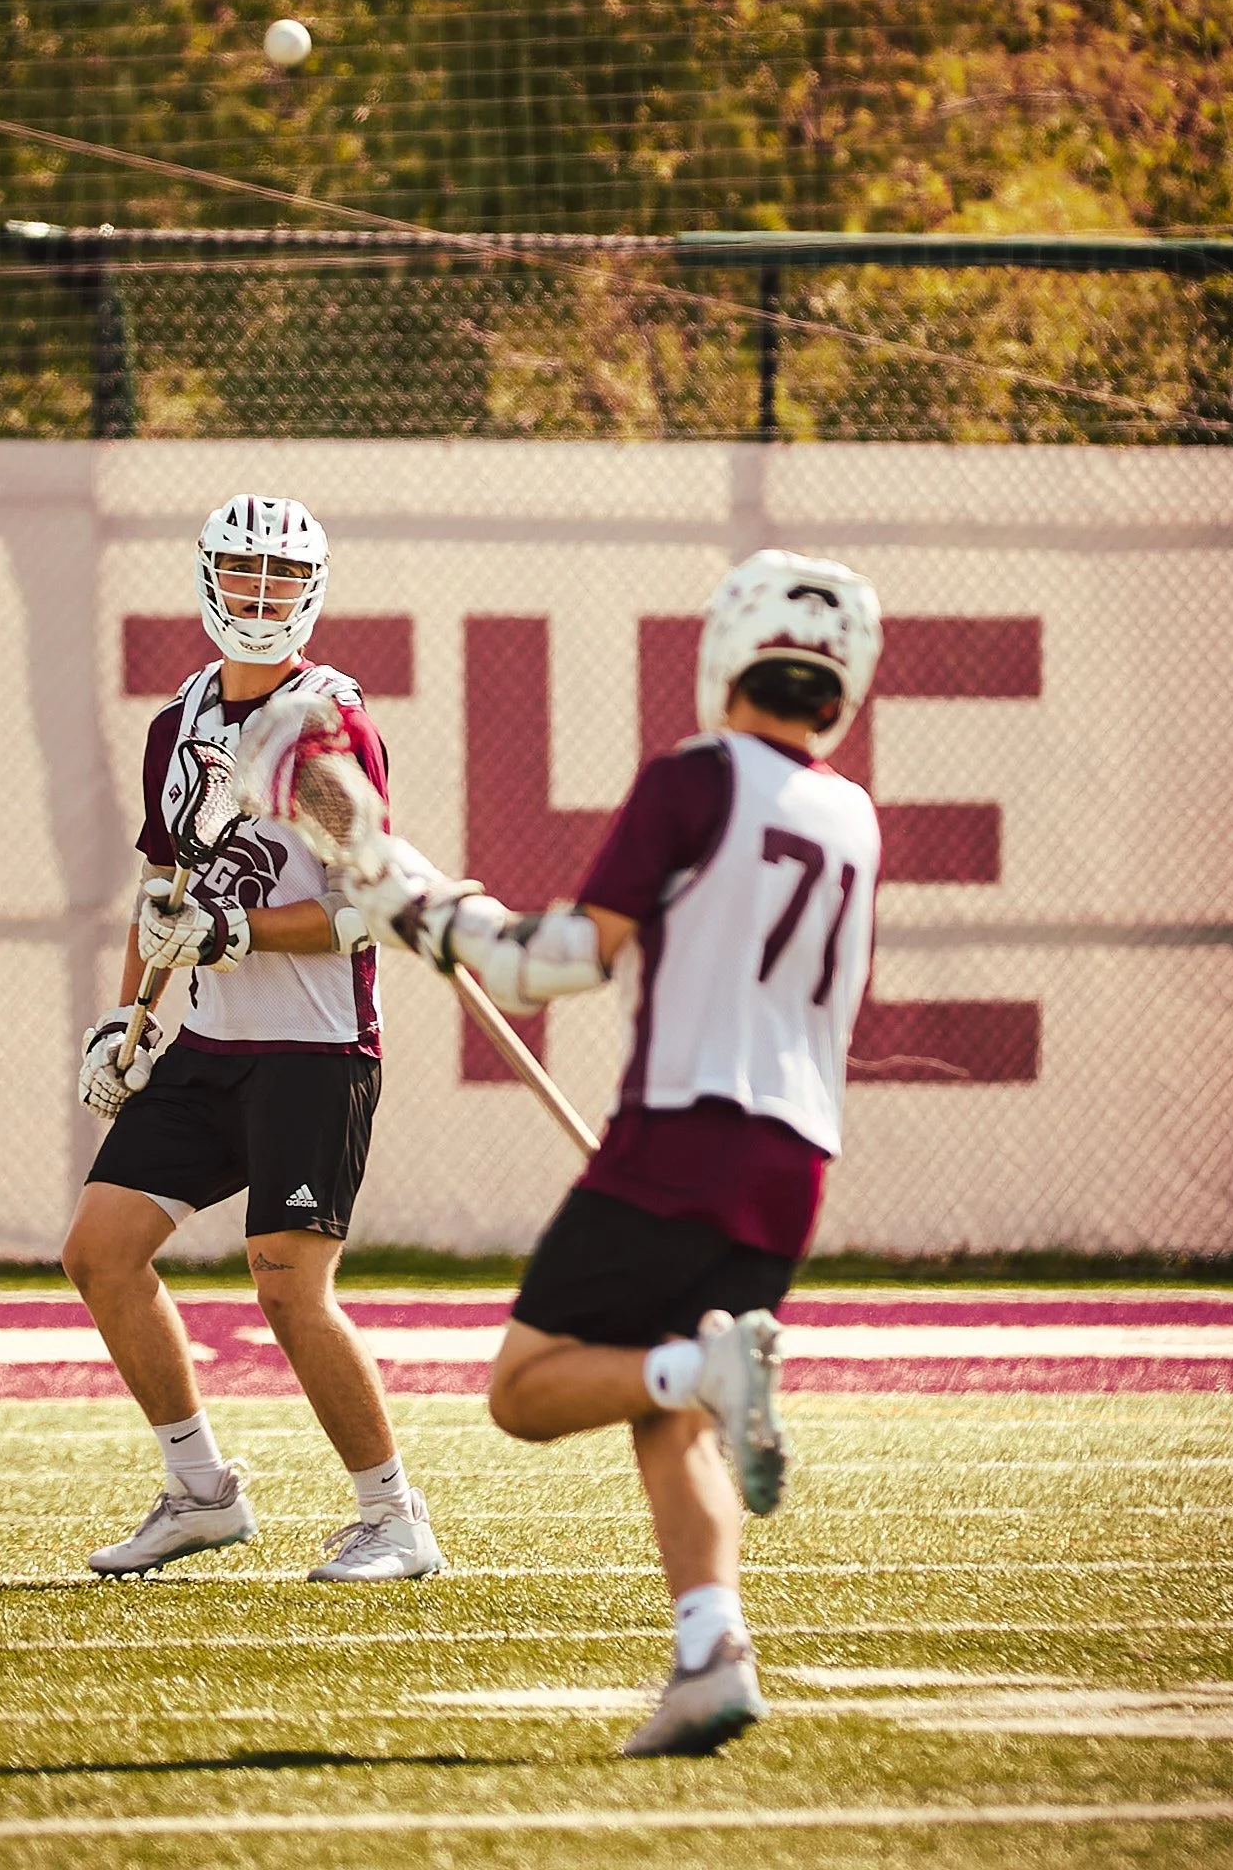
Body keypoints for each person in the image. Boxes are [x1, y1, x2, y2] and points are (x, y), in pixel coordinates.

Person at [349, 550, 882, 1754]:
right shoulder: (852, 812)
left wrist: (423, 909)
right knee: (668, 1391)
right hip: (793, 1163)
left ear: (729, 652)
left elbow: (563, 962)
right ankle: (711, 1650)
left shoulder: (695, 777)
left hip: (682, 1131)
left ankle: (702, 1379)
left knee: (528, 1389)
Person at [66, 493, 444, 1585]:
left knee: (285, 1285)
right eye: (243, 574)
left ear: (312, 591)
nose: (261, 596)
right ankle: (199, 1492)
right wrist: (127, 1014)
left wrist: (235, 928)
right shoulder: (176, 721)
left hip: (313, 1050)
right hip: (211, 1042)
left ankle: (393, 1516)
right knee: (99, 1251)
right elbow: (164, 887)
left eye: (281, 578)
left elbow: (370, 906)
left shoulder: (324, 726)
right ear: (206, 580)